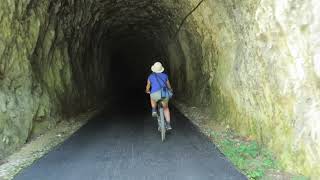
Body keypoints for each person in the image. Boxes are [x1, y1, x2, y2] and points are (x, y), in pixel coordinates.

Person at [145, 62, 173, 130]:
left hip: (154, 93)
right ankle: (168, 125)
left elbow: (148, 86)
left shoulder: (150, 76)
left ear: (154, 69)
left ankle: (154, 109)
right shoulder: (165, 76)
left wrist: (147, 91)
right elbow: (168, 86)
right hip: (164, 93)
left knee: (152, 96)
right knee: (166, 108)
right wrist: (170, 90)